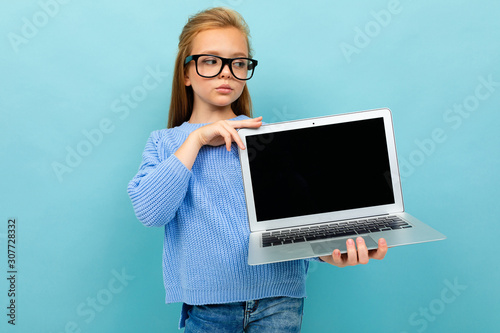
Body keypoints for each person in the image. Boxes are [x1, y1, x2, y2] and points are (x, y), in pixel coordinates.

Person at [127, 7, 388, 332]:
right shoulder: (166, 144)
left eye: (238, 62)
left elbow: (295, 221)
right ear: (186, 73)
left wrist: (329, 254)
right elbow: (151, 212)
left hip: (281, 301)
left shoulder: (269, 141)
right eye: (210, 61)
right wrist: (195, 142)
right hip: (209, 307)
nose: (226, 72)